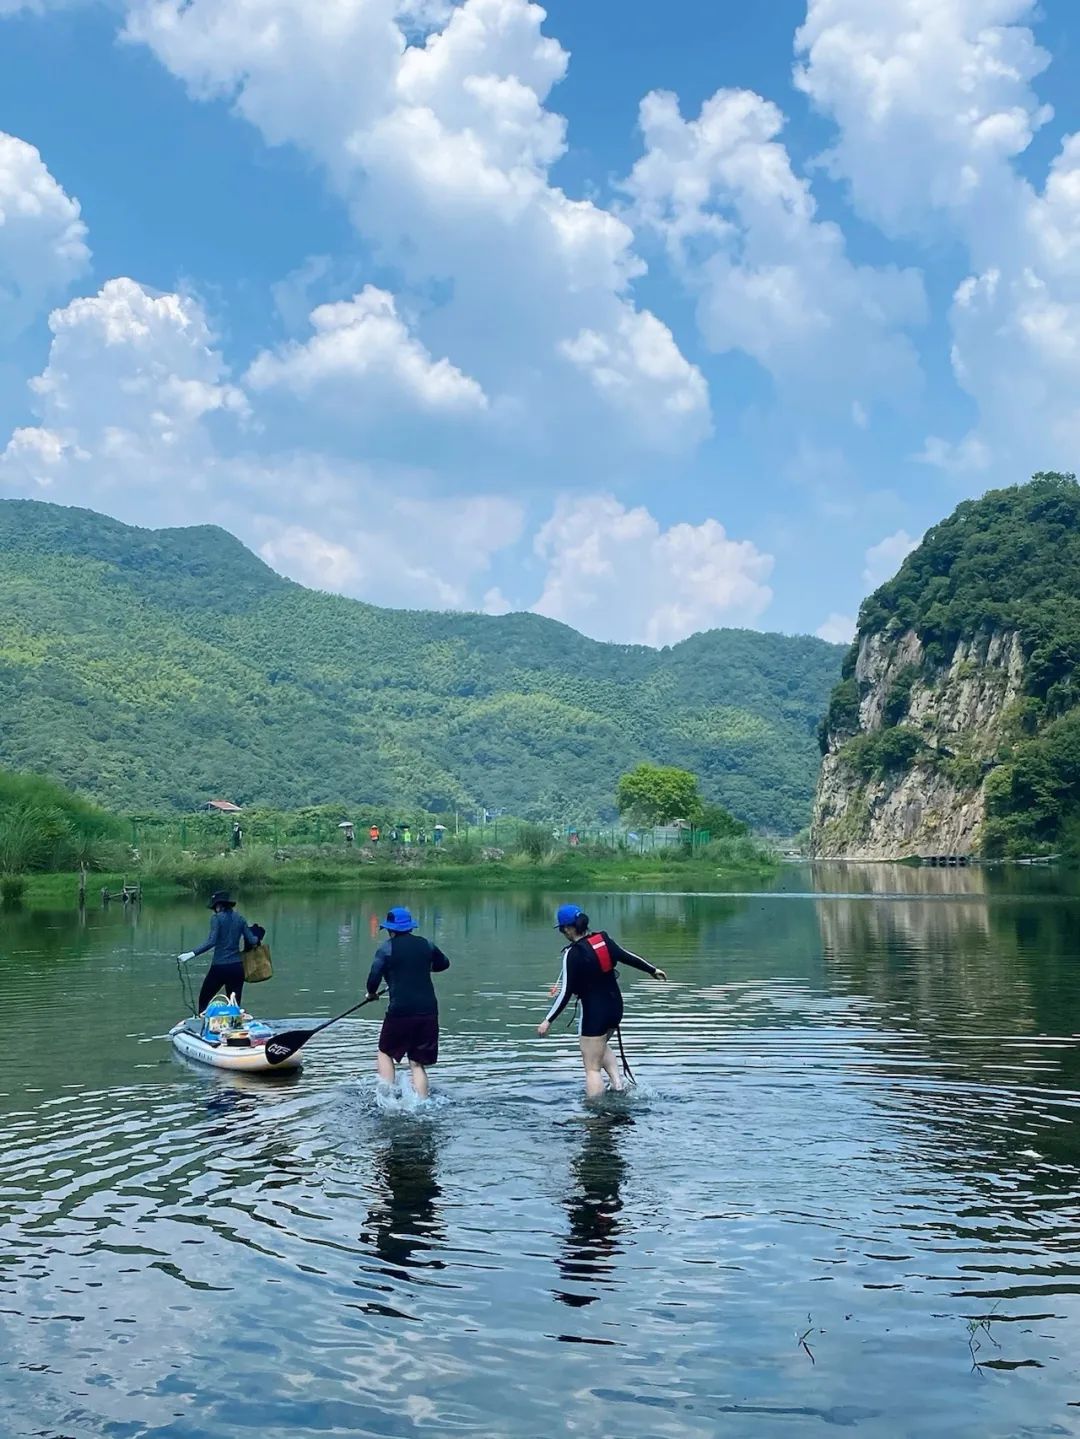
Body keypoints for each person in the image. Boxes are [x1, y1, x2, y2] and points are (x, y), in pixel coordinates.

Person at [537, 904, 667, 1097]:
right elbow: (626, 956)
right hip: (615, 1008)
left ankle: (596, 1117)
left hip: (594, 1013)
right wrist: (652, 970)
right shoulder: (603, 940)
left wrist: (548, 1020)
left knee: (592, 1067)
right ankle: (618, 1085)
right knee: (600, 1046)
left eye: (562, 929)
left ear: (568, 928)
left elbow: (565, 992)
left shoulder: (573, 954)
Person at [366, 906, 450, 1099]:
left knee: (385, 1052)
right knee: (417, 1063)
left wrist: (371, 993)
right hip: (428, 1011)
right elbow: (444, 963)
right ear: (410, 927)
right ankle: (422, 1103)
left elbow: (373, 977)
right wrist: (422, 968)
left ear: (390, 929)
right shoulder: (426, 945)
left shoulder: (386, 948)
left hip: (400, 1011)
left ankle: (386, 1098)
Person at [179, 891, 260, 1014]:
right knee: (234, 1004)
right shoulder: (240, 918)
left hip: (220, 967)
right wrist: (258, 935)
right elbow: (253, 940)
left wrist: (191, 954)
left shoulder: (216, 918)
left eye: (215, 907)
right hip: (237, 968)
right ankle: (234, 1027)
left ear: (219, 906)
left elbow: (211, 941)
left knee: (204, 999)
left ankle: (204, 1026)